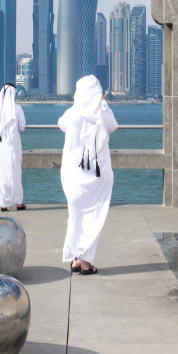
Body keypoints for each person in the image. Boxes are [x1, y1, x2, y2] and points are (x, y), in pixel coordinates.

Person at [58, 75, 117, 275]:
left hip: (74, 175)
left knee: (75, 214)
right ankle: (86, 263)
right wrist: (103, 103)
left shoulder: (72, 113)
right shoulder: (102, 113)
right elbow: (113, 126)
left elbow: (61, 124)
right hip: (98, 175)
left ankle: (76, 258)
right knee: (93, 215)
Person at [0, 83, 27, 212]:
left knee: (1, 173)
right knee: (15, 172)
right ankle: (18, 203)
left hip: (0, 146)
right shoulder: (17, 108)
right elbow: (22, 127)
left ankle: (3, 203)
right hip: (13, 145)